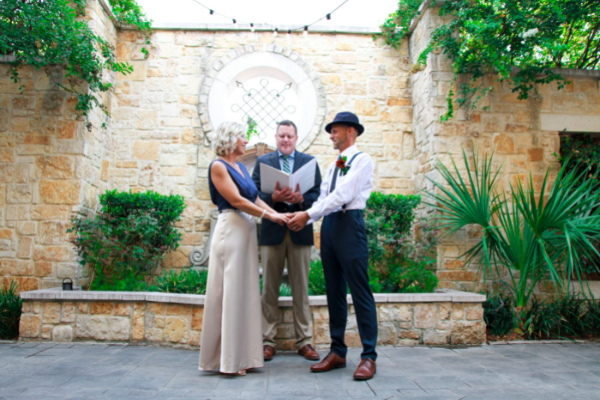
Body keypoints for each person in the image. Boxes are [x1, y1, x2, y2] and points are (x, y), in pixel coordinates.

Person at [287, 112, 378, 381]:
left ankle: (369, 356)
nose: (331, 135)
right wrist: (305, 217)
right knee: (334, 291)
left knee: (360, 291)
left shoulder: (362, 160)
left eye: (335, 131)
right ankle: (337, 351)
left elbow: (343, 194)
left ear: (351, 131)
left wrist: (307, 214)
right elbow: (324, 197)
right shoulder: (334, 164)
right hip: (329, 227)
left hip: (350, 224)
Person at [199, 121, 289, 376]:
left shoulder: (239, 167)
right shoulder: (218, 166)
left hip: (246, 232)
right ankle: (229, 360)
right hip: (230, 231)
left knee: (244, 293)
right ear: (230, 139)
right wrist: (269, 216)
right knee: (230, 292)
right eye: (242, 136)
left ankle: (244, 356)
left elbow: (255, 198)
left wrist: (278, 216)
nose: (246, 141)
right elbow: (236, 200)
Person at [251, 120, 322, 362]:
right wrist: (273, 197)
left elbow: (318, 195)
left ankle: (305, 341)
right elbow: (253, 194)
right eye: (281, 135)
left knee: (301, 289)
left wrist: (302, 200)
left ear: (296, 138)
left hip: (300, 230)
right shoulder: (263, 162)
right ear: (276, 137)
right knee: (269, 288)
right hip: (273, 230)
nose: (285, 140)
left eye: (289, 136)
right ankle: (267, 342)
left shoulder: (309, 162)